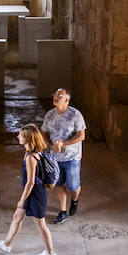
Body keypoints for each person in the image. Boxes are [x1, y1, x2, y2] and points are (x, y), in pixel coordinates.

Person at [0, 124, 57, 255]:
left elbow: (30, 182)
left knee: (41, 225)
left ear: (27, 138)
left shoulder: (31, 158)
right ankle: (6, 244)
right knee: (17, 217)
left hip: (36, 195)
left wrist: (21, 200)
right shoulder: (29, 153)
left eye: (20, 135)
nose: (17, 136)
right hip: (32, 193)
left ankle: (51, 253)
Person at [41, 88, 85, 224]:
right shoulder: (49, 115)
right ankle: (63, 212)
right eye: (54, 94)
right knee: (59, 184)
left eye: (59, 96)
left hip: (72, 156)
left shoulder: (75, 115)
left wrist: (64, 143)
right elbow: (43, 133)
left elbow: (81, 135)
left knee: (73, 185)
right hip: (55, 157)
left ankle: (75, 200)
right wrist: (50, 145)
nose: (55, 97)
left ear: (67, 100)